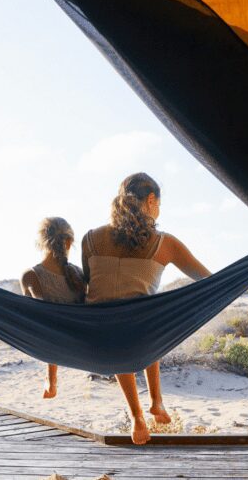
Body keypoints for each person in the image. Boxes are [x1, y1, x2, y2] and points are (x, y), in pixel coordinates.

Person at [82, 173, 211, 444]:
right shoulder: (166, 244)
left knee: (121, 315)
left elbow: (89, 287)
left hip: (98, 337)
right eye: (159, 204)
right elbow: (208, 280)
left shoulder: (90, 239)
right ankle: (156, 400)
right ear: (151, 200)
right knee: (148, 314)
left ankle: (138, 415)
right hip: (141, 334)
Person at [20, 217, 86, 399]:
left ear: (40, 242)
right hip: (81, 340)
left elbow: (42, 315)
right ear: (69, 242)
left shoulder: (31, 276)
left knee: (46, 323)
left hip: (52, 342)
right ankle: (51, 380)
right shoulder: (79, 274)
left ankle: (51, 379)